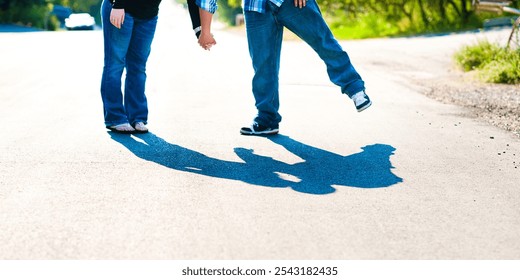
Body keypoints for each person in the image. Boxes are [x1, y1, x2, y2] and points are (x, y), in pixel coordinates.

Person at [196, 0, 372, 136]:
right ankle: (267, 119)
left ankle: (355, 89)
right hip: (255, 7)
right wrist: (205, 29)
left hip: (293, 2)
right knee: (263, 65)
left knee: (323, 42)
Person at [100, 0, 162, 134]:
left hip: (149, 14)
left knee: (138, 67)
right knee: (115, 64)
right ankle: (115, 118)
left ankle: (137, 117)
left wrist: (199, 27)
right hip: (121, 8)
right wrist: (118, 4)